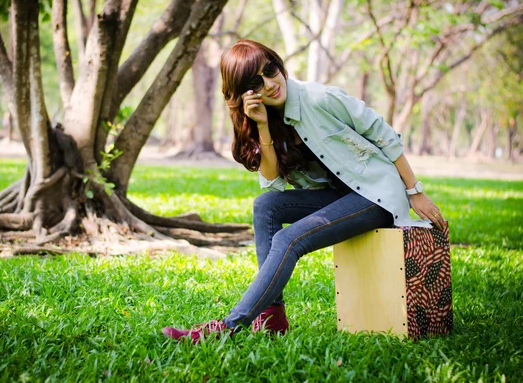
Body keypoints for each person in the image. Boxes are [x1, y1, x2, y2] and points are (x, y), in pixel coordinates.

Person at [162, 39, 445, 343]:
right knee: (266, 205)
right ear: (244, 93)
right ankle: (272, 318)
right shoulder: (267, 119)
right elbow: (272, 183)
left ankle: (230, 326)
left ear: (278, 64)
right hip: (341, 195)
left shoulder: (318, 98)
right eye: (257, 82)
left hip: (377, 194)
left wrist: (414, 191)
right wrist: (262, 127)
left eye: (270, 70)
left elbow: (383, 134)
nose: (270, 84)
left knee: (288, 239)